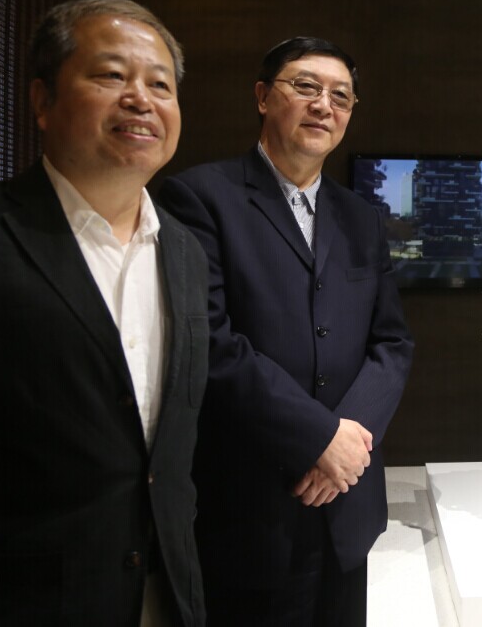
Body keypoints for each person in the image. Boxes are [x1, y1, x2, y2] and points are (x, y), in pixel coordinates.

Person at [0, 0, 208, 626]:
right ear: (42, 100)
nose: (140, 99)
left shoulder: (186, 252)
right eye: (111, 75)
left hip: (163, 595)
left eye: (160, 85)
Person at [157, 37, 413, 626]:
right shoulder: (199, 198)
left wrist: (347, 445)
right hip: (253, 505)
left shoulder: (362, 217)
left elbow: (392, 343)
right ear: (262, 97)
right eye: (306, 86)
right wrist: (317, 438)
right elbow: (210, 342)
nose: (324, 105)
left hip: (346, 501)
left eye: (341, 96)